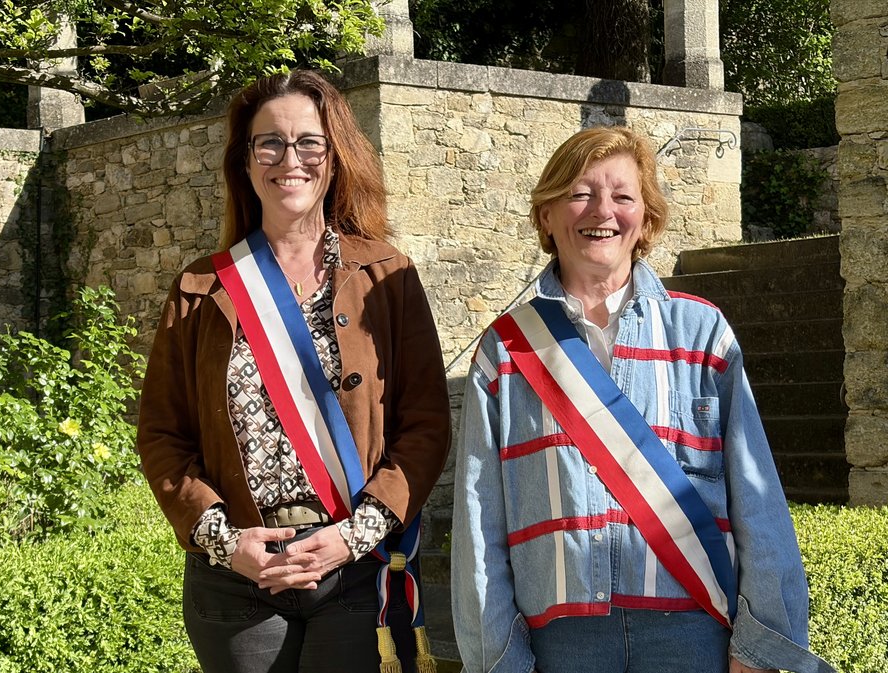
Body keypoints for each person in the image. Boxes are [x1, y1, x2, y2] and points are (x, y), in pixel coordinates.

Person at [451, 126, 835, 673]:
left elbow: (757, 499)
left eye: (623, 196)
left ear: (646, 221)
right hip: (562, 644)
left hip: (692, 634)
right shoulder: (506, 348)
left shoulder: (702, 332)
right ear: (547, 216)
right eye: (579, 192)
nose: (601, 210)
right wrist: (496, 658)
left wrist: (763, 641)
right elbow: (478, 514)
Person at [137, 70, 451, 673]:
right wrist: (227, 543)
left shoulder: (388, 277)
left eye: (309, 142)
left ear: (334, 158)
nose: (291, 159)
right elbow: (161, 435)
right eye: (270, 143)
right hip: (237, 581)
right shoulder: (200, 289)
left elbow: (427, 426)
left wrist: (353, 537)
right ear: (247, 161)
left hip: (353, 571)